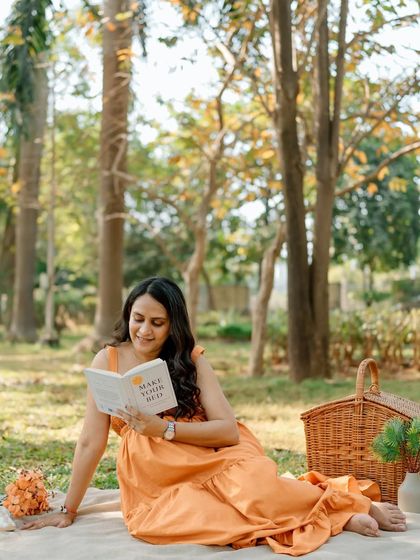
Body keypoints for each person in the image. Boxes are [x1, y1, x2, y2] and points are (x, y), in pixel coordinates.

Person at [22, 277, 407, 556]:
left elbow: (227, 431)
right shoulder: (105, 360)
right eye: (139, 318)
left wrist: (164, 428)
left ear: (174, 324)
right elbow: (91, 440)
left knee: (256, 492)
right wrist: (68, 510)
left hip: (209, 453)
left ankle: (341, 506)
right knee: (192, 523)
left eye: (158, 323)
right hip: (155, 477)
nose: (145, 330)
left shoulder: (191, 359)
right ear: (128, 314)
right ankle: (326, 515)